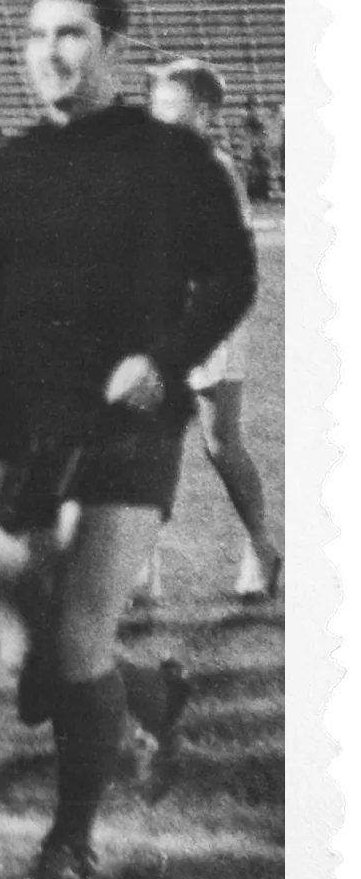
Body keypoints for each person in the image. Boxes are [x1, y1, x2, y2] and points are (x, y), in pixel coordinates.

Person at [0, 0, 255, 879]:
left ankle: (69, 839)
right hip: (28, 422)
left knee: (78, 639)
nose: (52, 52)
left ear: (113, 47)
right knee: (26, 657)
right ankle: (154, 697)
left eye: (72, 33)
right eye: (37, 36)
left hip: (129, 424)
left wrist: (165, 358)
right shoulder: (12, 163)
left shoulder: (171, 156)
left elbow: (233, 278)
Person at [133, 60, 281, 604]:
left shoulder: (212, 168)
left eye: (166, 102)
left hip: (207, 323)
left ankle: (262, 548)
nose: (155, 110)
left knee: (221, 444)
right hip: (156, 322)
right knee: (143, 442)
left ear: (198, 111)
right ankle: (139, 570)